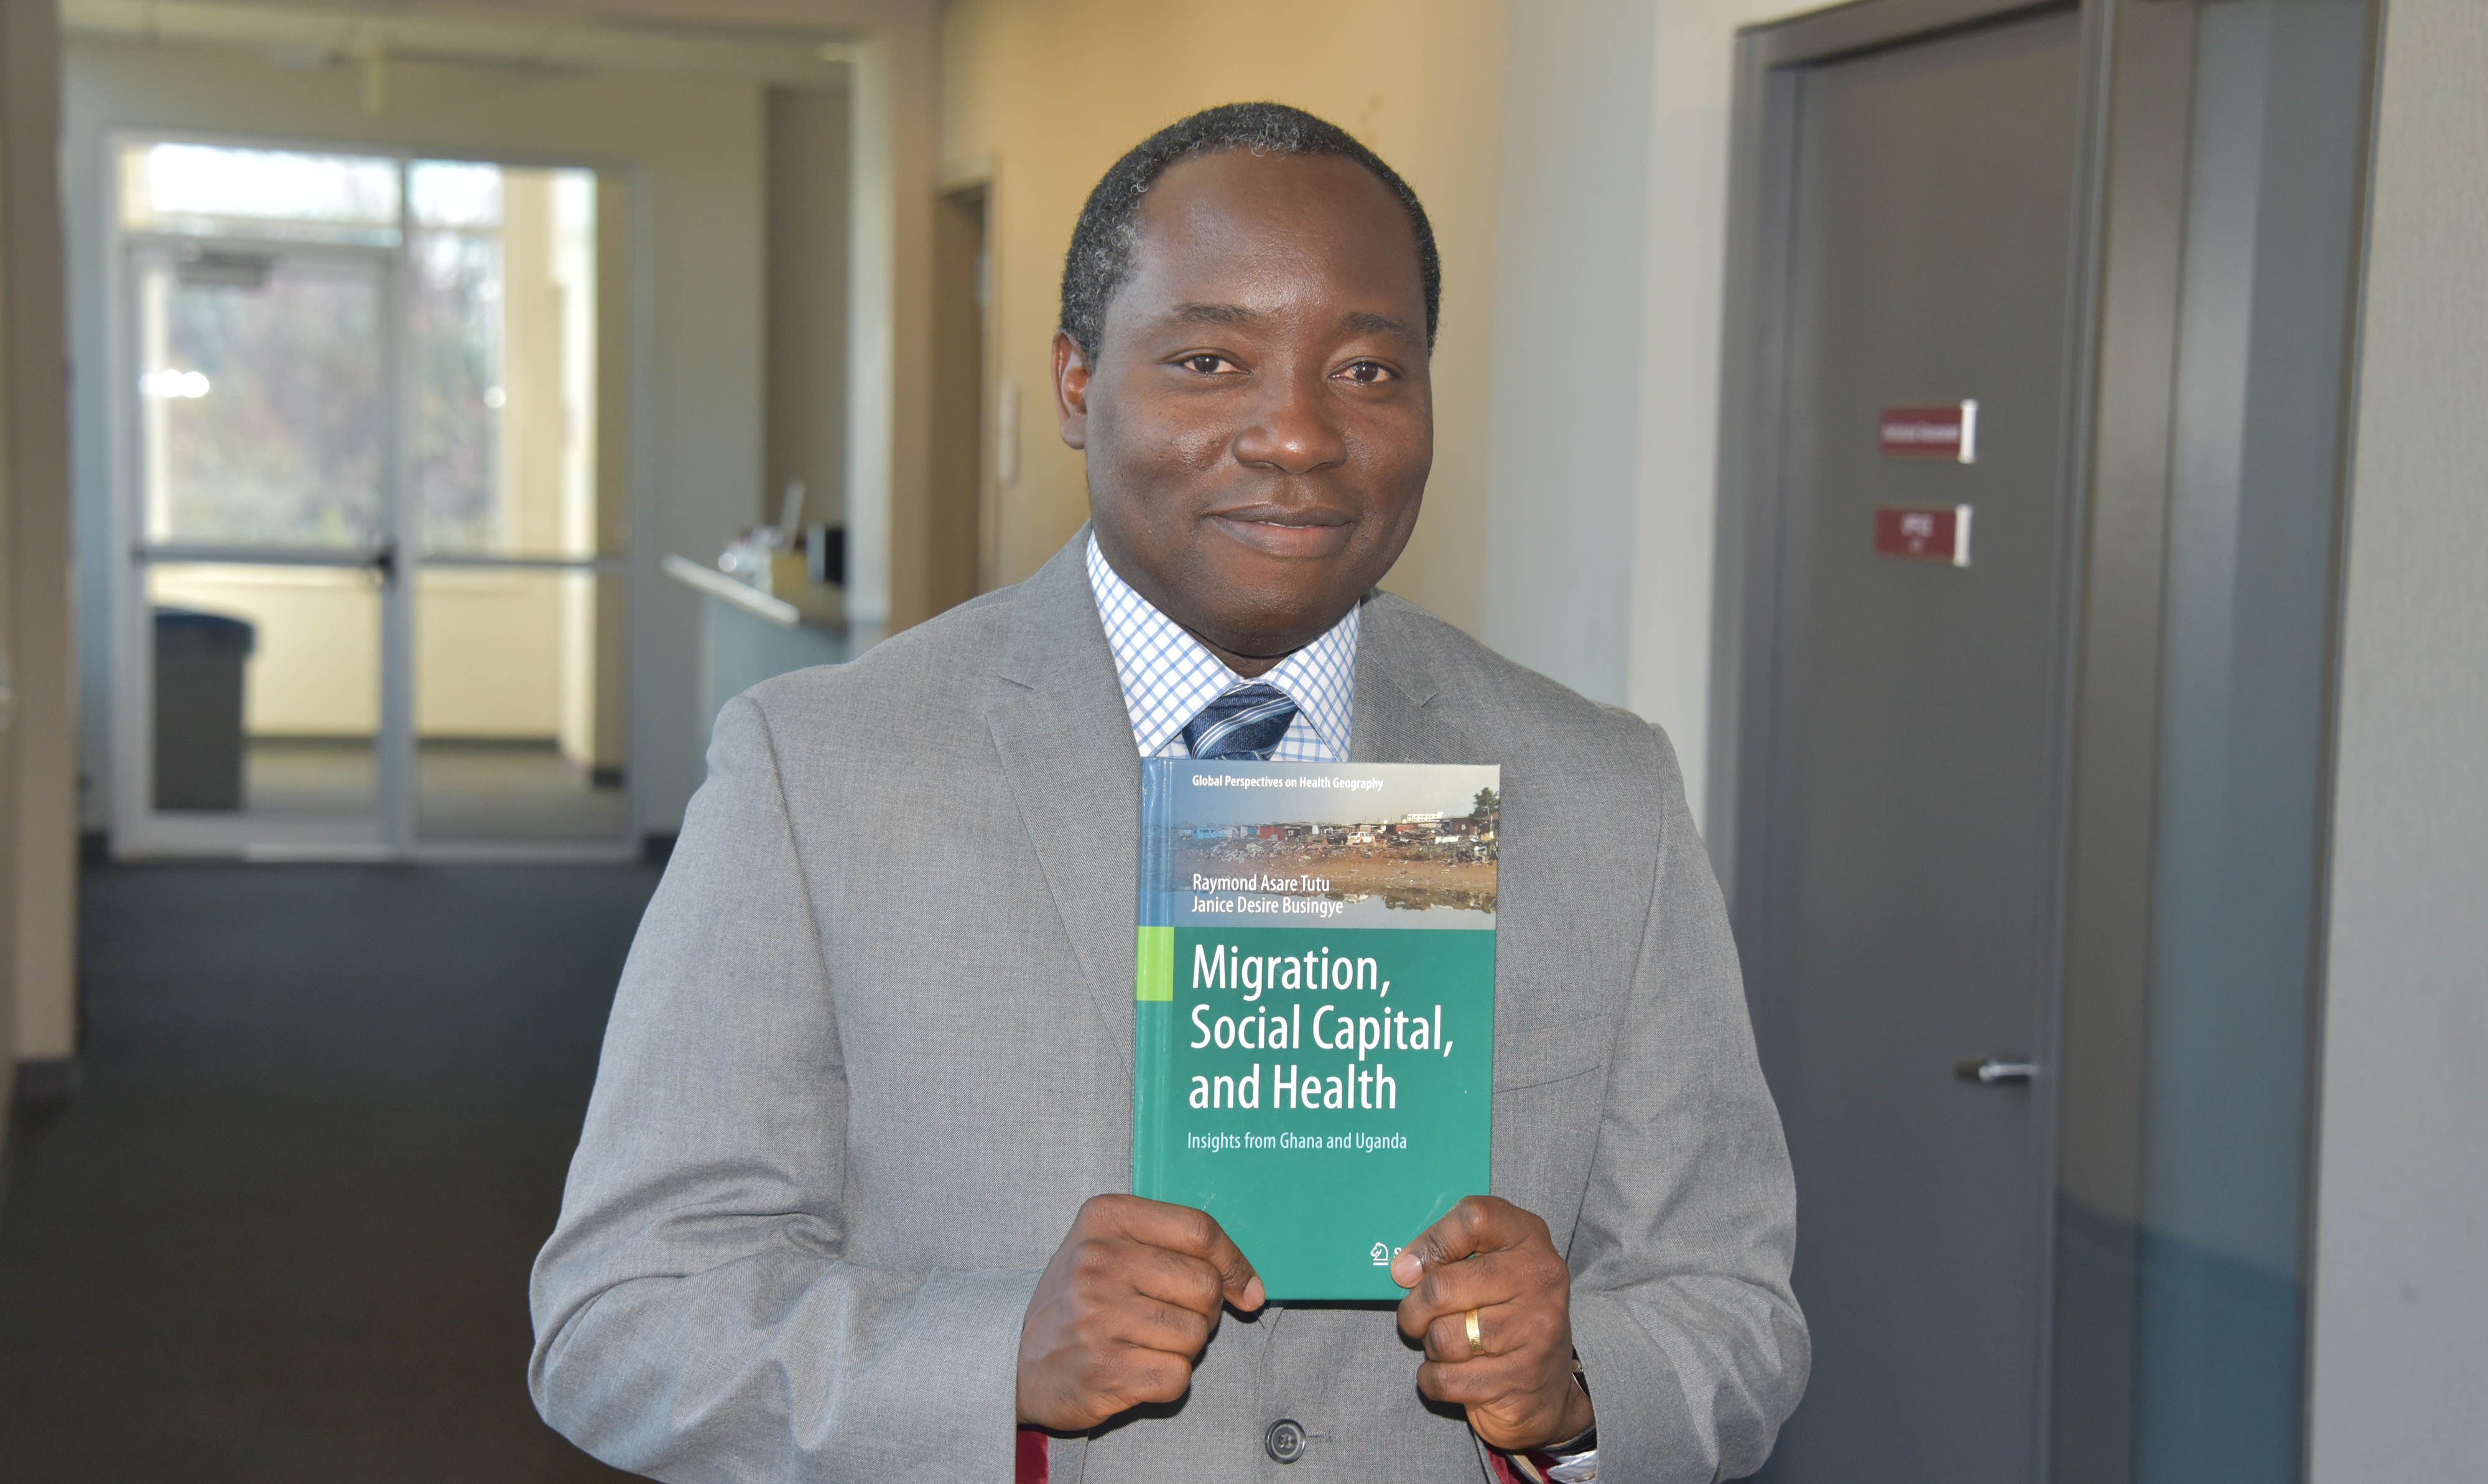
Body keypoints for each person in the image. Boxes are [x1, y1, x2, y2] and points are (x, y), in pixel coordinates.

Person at [530, 102, 1806, 1483]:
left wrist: (1574, 1388)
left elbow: (1730, 1310)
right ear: (1079, 383)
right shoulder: (816, 768)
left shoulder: (1601, 790)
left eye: (1369, 370)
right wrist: (993, 1357)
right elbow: (626, 1320)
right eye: (1210, 359)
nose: (1299, 436)